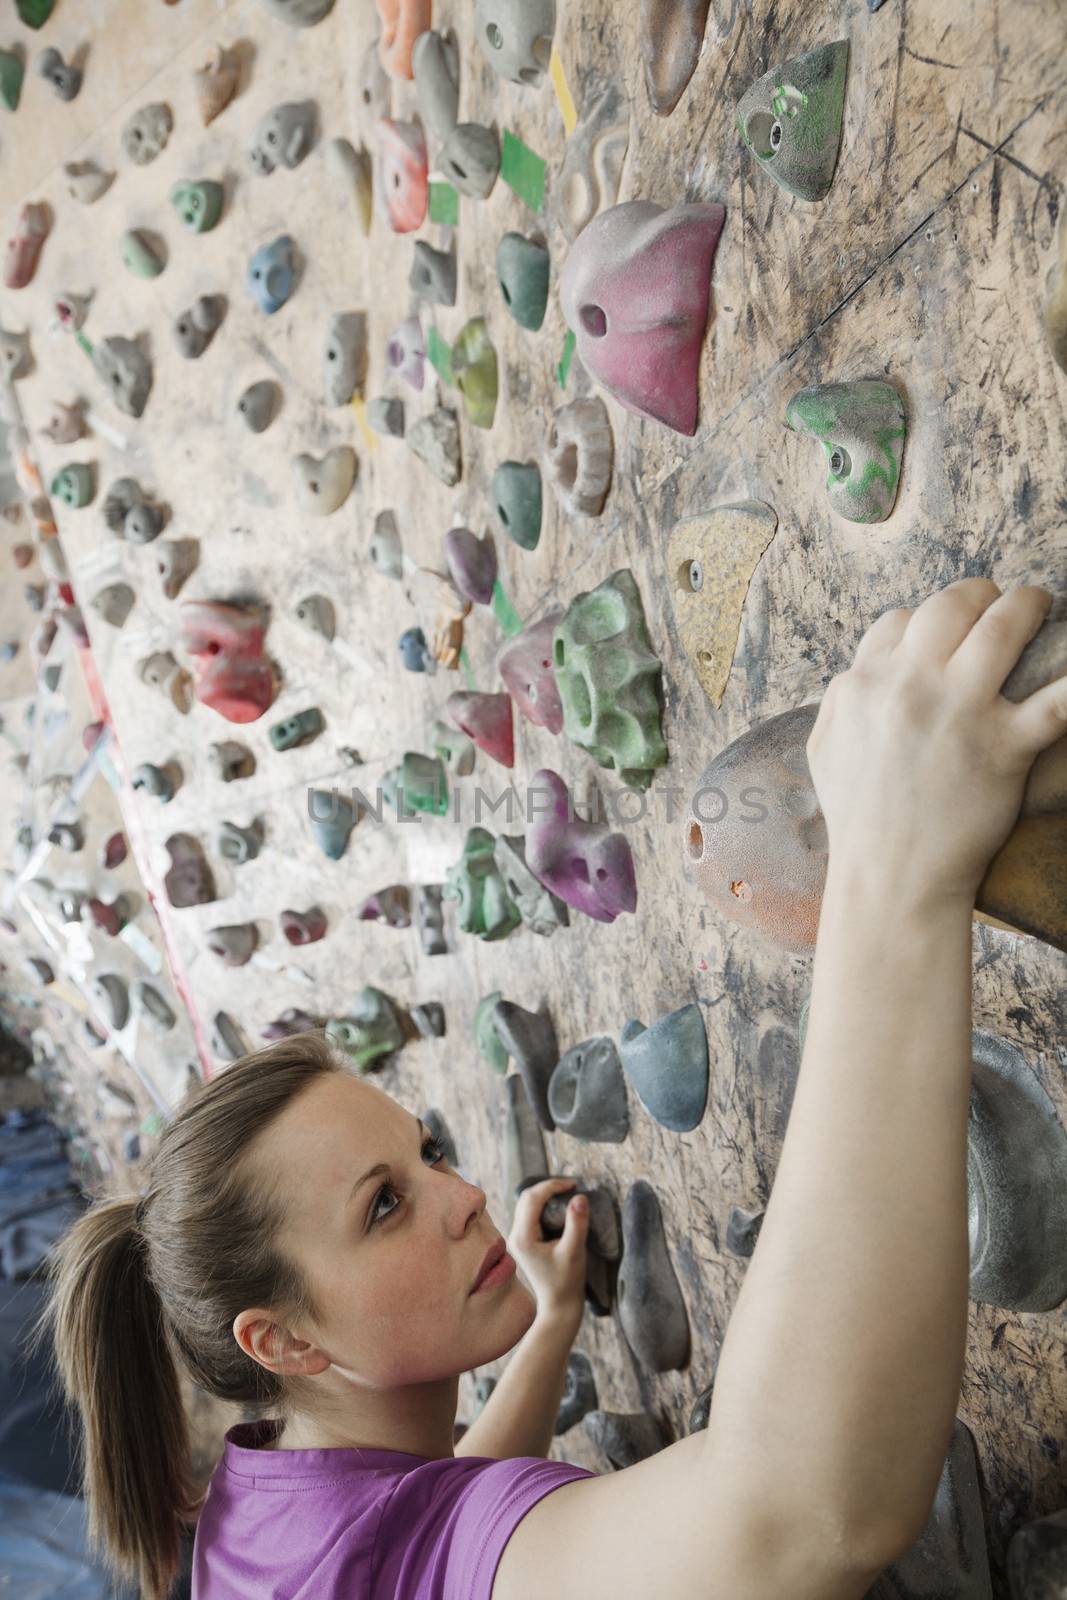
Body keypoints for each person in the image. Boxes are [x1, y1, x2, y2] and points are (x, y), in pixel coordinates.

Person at [32, 577, 1066, 1600]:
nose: (465, 1194)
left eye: (425, 1154)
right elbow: (802, 1513)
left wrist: (547, 1320)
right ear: (284, 1340)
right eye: (384, 1206)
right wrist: (895, 861)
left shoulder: (266, 1508)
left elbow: (435, 1513)